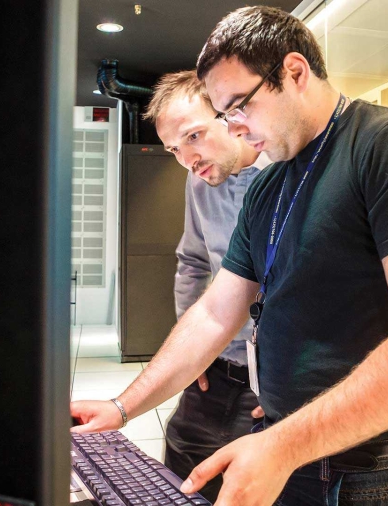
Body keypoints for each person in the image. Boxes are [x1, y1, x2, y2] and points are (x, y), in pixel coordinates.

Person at [72, 6, 388, 505]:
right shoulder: (270, 186)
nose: (236, 128)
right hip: (299, 447)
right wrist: (123, 406)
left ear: (294, 72)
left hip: (383, 465)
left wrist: (284, 445)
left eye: (239, 106)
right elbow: (217, 311)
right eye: (225, 116)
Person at [139, 70, 271, 502]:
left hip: (270, 381)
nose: (186, 158)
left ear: (230, 116)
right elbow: (192, 262)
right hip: (215, 369)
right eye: (175, 148)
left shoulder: (288, 176)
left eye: (194, 136)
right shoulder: (199, 181)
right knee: (177, 473)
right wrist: (193, 355)